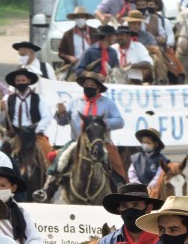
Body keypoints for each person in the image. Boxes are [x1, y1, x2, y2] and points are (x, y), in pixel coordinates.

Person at [36, 73, 126, 201]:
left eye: (92, 85)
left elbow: (120, 121)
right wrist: (61, 113)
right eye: (86, 85)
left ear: (98, 87)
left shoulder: (108, 103)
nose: (88, 87)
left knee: (115, 165)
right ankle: (47, 189)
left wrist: (102, 123)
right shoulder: (74, 102)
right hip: (77, 142)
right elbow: (62, 122)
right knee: (60, 161)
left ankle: (121, 191)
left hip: (100, 142)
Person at [127, 128, 167, 193]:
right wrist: (138, 186)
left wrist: (150, 187)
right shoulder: (136, 158)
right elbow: (131, 173)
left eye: (148, 143)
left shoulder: (162, 160)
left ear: (156, 144)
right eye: (143, 142)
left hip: (155, 191)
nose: (145, 145)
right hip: (137, 190)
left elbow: (159, 175)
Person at [58, 6, 98, 70]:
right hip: (74, 66)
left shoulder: (94, 32)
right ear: (74, 19)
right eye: (77, 17)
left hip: (93, 65)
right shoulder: (68, 34)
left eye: (82, 17)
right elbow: (61, 52)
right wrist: (69, 57)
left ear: (86, 18)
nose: (79, 19)